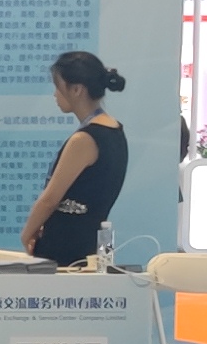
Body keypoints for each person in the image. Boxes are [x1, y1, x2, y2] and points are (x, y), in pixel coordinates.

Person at [21, 52, 129, 265]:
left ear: (77, 89)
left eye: (58, 87)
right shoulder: (115, 129)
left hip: (66, 245)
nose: (55, 95)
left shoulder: (84, 139)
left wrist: (27, 233)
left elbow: (50, 199)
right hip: (92, 241)